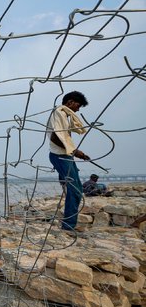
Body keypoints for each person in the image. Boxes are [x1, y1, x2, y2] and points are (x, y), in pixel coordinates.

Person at [47, 91, 90, 231]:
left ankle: (68, 223)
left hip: (65, 156)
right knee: (76, 190)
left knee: (72, 188)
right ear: (70, 102)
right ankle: (68, 226)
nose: (78, 109)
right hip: (60, 156)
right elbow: (55, 137)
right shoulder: (59, 113)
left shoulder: (65, 115)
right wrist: (75, 151)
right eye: (78, 106)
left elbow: (62, 137)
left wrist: (75, 153)